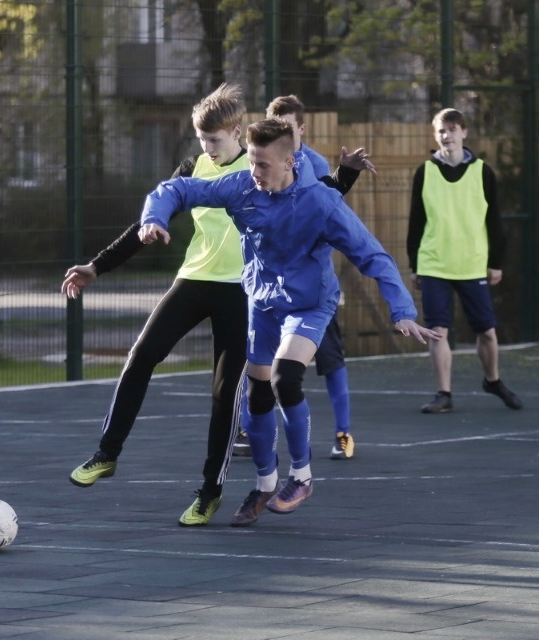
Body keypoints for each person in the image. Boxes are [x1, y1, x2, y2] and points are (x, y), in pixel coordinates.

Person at [65, 84, 373, 528]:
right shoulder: (194, 167)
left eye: (213, 140)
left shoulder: (262, 168)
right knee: (141, 355)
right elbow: (152, 215)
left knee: (224, 393)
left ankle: (210, 491)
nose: (205, 148)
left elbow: (317, 200)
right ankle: (106, 453)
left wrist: (347, 174)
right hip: (194, 280)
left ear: (237, 132)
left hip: (242, 292)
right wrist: (97, 266)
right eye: (201, 140)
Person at [139, 118, 440, 528]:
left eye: (263, 165)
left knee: (285, 378)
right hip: (262, 303)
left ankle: (301, 476)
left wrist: (402, 311)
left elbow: (375, 257)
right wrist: (153, 217)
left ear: (290, 162)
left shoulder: (320, 202)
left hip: (309, 304)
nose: (254, 172)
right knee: (257, 395)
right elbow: (178, 188)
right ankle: (265, 483)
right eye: (252, 163)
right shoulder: (242, 186)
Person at [256, 94, 365, 461]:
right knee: (258, 360)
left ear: (301, 129)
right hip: (271, 288)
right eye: (276, 127)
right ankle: (246, 428)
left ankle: (344, 433)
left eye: (288, 127)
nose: (283, 133)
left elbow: (330, 212)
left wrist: (345, 175)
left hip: (312, 288)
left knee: (331, 359)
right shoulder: (258, 168)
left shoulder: (315, 165)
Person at [406, 108, 523, 414]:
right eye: (442, 131)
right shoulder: (425, 172)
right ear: (436, 136)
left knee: (487, 331)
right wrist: (415, 265)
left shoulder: (483, 172)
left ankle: (493, 380)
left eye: (453, 129)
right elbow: (416, 222)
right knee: (438, 331)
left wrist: (496, 261)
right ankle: (443, 393)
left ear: (464, 132)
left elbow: (495, 220)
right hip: (434, 263)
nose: (448, 135)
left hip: (472, 263)